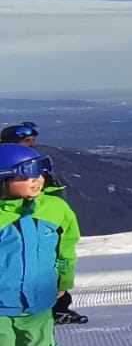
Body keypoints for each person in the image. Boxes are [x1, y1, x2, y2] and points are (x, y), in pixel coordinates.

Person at [0, 142, 79, 346]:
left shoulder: (55, 209)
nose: (36, 180)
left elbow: (66, 248)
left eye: (39, 174)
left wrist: (63, 281)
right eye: (26, 175)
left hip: (38, 303)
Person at [5, 122, 85, 324]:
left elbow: (65, 246)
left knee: (46, 257)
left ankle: (58, 306)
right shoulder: (10, 165)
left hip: (40, 216)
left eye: (32, 141)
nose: (31, 145)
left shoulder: (33, 165)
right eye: (27, 141)